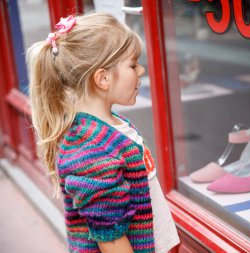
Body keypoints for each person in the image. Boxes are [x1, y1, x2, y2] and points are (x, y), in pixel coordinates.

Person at [27, 13, 180, 253]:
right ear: (103, 78)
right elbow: (111, 239)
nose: (140, 70)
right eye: (133, 64)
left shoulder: (112, 126)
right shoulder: (90, 149)